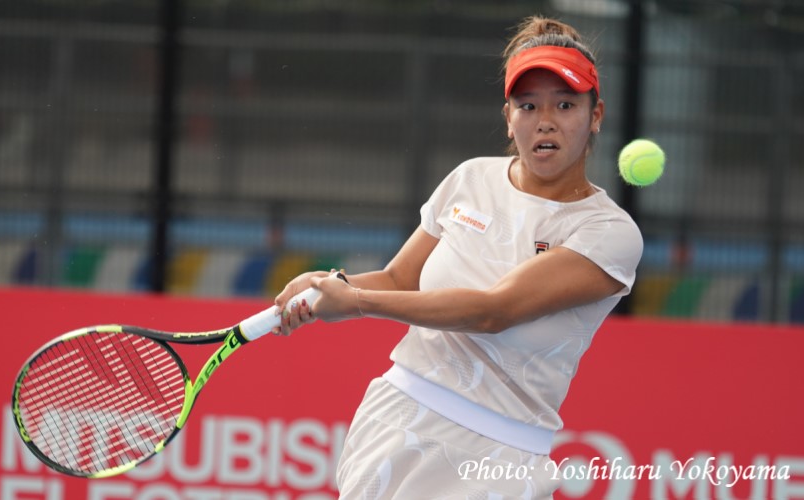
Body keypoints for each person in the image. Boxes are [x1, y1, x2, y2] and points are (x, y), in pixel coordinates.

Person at [273, 16, 643, 499]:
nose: (545, 120)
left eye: (565, 105)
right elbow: (400, 277)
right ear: (509, 118)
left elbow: (494, 311)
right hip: (398, 417)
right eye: (527, 105)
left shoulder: (610, 232)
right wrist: (329, 282)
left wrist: (356, 301)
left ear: (596, 116)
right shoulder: (470, 178)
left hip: (500, 455)